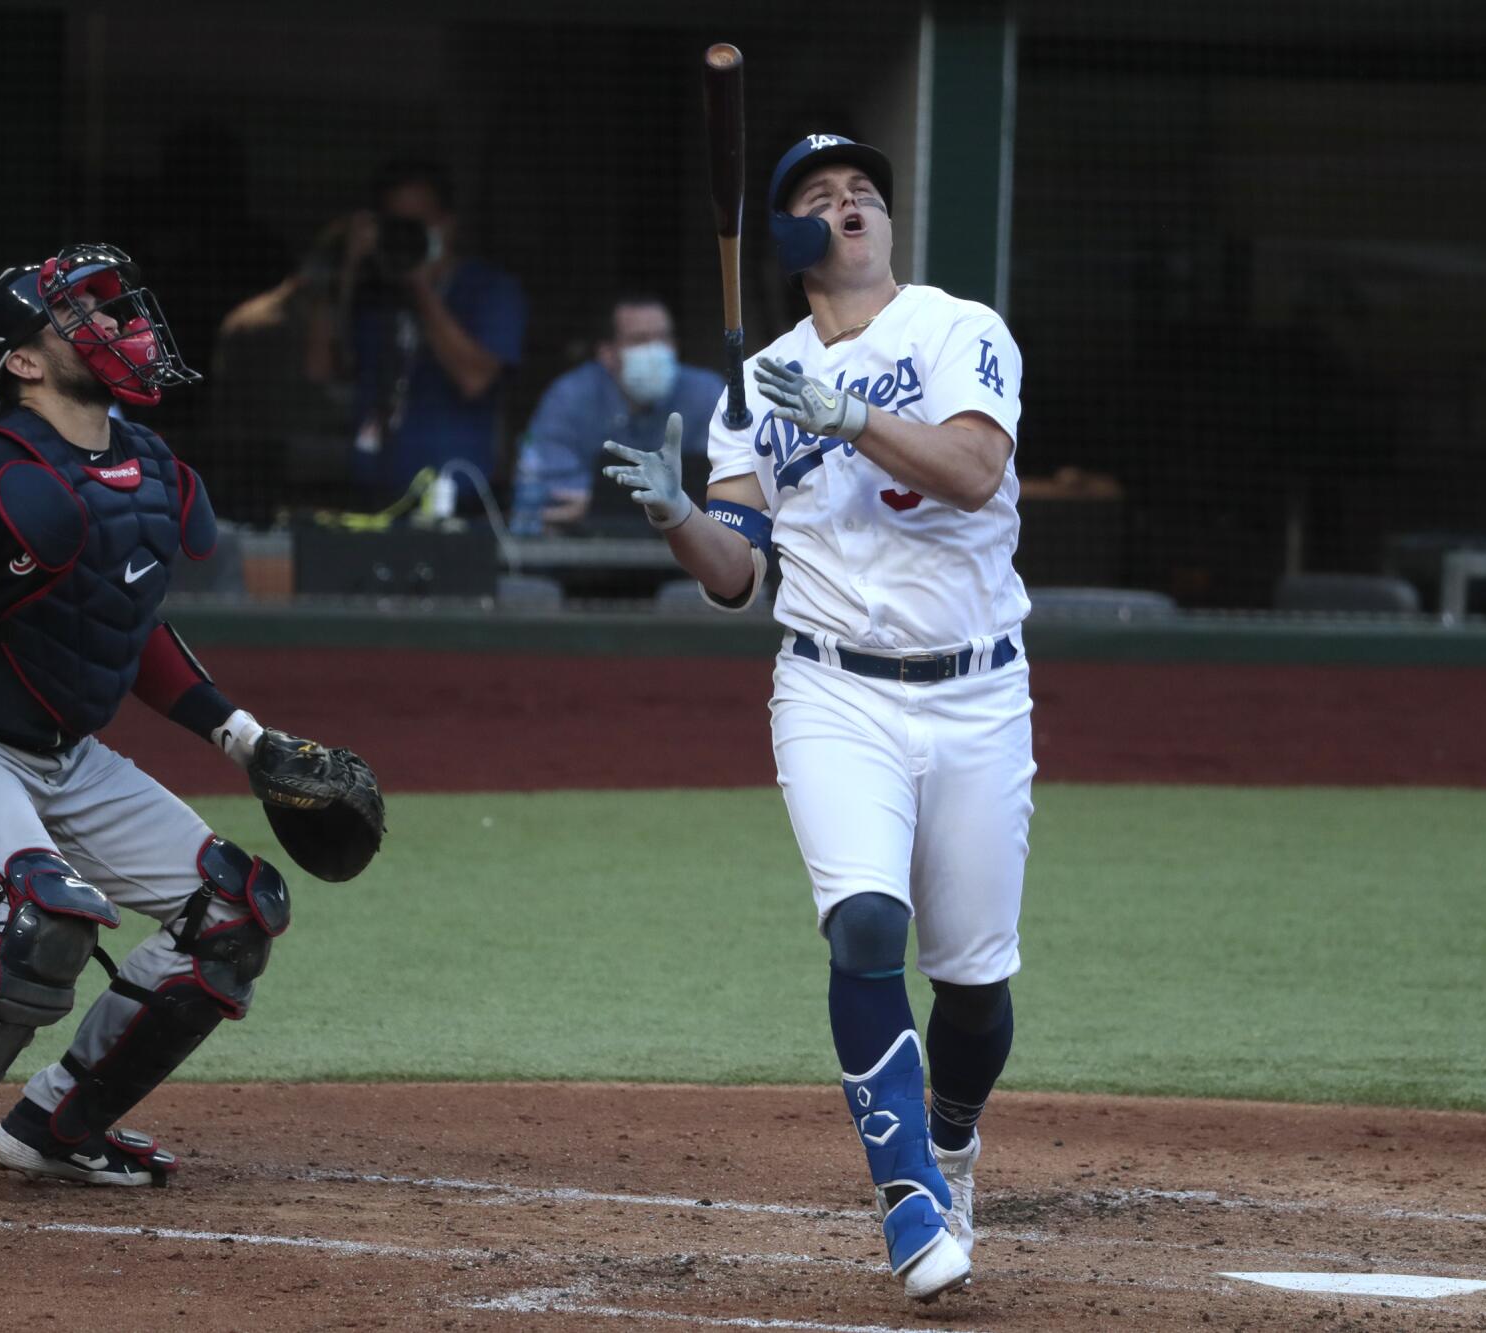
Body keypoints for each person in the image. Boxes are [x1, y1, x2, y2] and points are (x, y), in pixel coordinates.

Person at [0, 245, 368, 1208]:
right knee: (47, 920)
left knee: (236, 910)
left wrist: (245, 740)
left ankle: (57, 1125)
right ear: (25, 362)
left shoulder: (149, 467)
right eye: (80, 314)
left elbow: (127, 630)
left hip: (64, 756)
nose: (117, 326)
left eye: (115, 310)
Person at [602, 135, 1030, 1302]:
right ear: (787, 238)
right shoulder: (756, 384)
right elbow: (734, 571)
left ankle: (948, 1140)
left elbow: (968, 471)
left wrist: (845, 415)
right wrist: (676, 514)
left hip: (980, 689)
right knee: (863, 925)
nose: (849, 207)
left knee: (976, 985)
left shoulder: (958, 328)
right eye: (820, 198)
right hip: (832, 685)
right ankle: (905, 1201)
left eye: (863, 194)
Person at [306, 158, 526, 507]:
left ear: (447, 225)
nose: (406, 237)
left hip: (454, 498)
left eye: (417, 225)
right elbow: (323, 370)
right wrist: (348, 267)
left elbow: (475, 379)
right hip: (368, 497)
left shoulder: (489, 290)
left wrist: (420, 286)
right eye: (396, 226)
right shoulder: (371, 291)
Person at [513, 294, 725, 533]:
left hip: (687, 545)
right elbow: (551, 490)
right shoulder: (569, 396)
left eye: (663, 338)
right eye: (639, 340)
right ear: (607, 353)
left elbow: (727, 483)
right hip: (589, 551)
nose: (655, 351)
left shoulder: (706, 392)